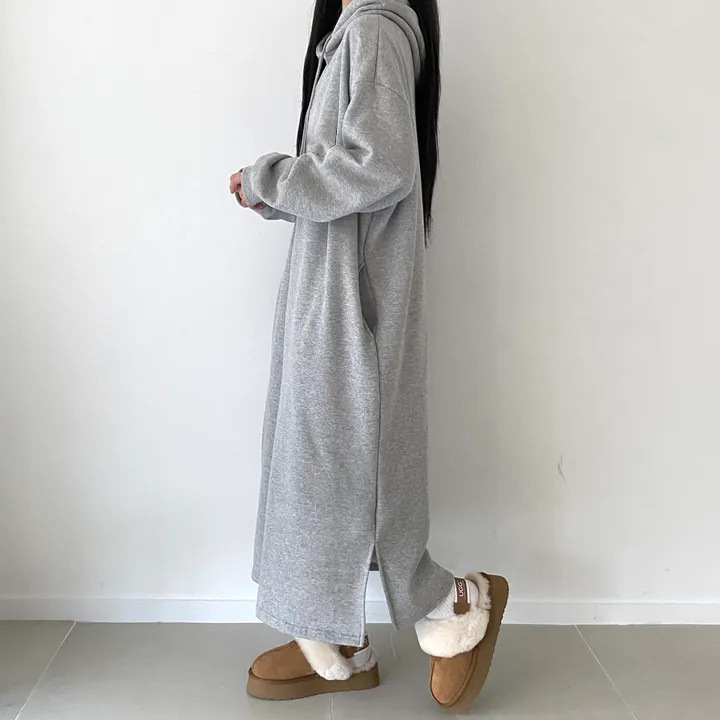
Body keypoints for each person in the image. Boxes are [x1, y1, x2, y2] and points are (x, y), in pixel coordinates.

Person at [229, 0, 508, 711]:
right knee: (319, 472)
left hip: (353, 311)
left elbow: (379, 167)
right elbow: (353, 175)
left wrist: (271, 177)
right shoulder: (353, 33)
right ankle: (338, 640)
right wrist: (273, 197)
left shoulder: (375, 30)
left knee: (356, 475)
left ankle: (457, 604)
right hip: (332, 297)